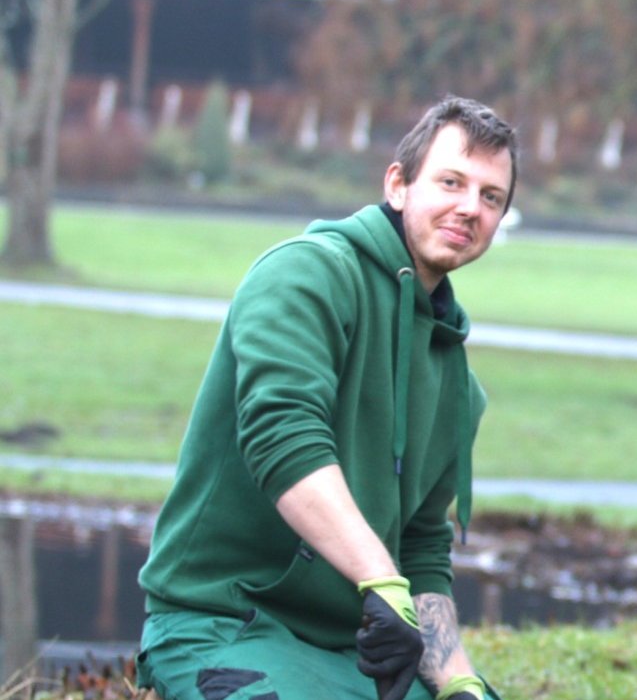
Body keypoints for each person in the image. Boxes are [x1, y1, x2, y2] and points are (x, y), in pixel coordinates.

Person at [136, 97, 519, 700]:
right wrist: (379, 580)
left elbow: (420, 546)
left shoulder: (458, 385)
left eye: (491, 196)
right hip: (224, 626)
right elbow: (283, 439)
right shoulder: (304, 275)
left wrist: (456, 681)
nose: (469, 207)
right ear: (398, 185)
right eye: (451, 181)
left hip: (353, 651)